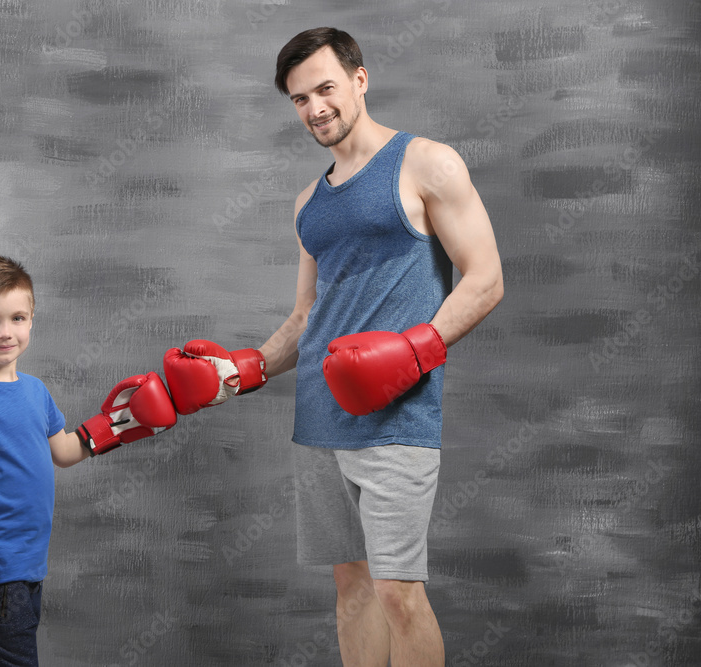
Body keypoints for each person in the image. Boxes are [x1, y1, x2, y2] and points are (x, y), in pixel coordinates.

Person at [163, 27, 503, 667]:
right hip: (318, 421)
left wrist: (412, 351)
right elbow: (305, 315)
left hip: (395, 418)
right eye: (299, 99)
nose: (315, 108)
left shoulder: (426, 163)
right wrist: (242, 370)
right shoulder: (307, 204)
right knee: (352, 591)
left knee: (399, 593)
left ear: (359, 79)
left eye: (325, 88)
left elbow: (486, 279)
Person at [0, 255, 178, 666]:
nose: (6, 332)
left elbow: (65, 452)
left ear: (32, 319)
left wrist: (122, 421)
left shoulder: (36, 391)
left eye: (17, 317)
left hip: (30, 562)